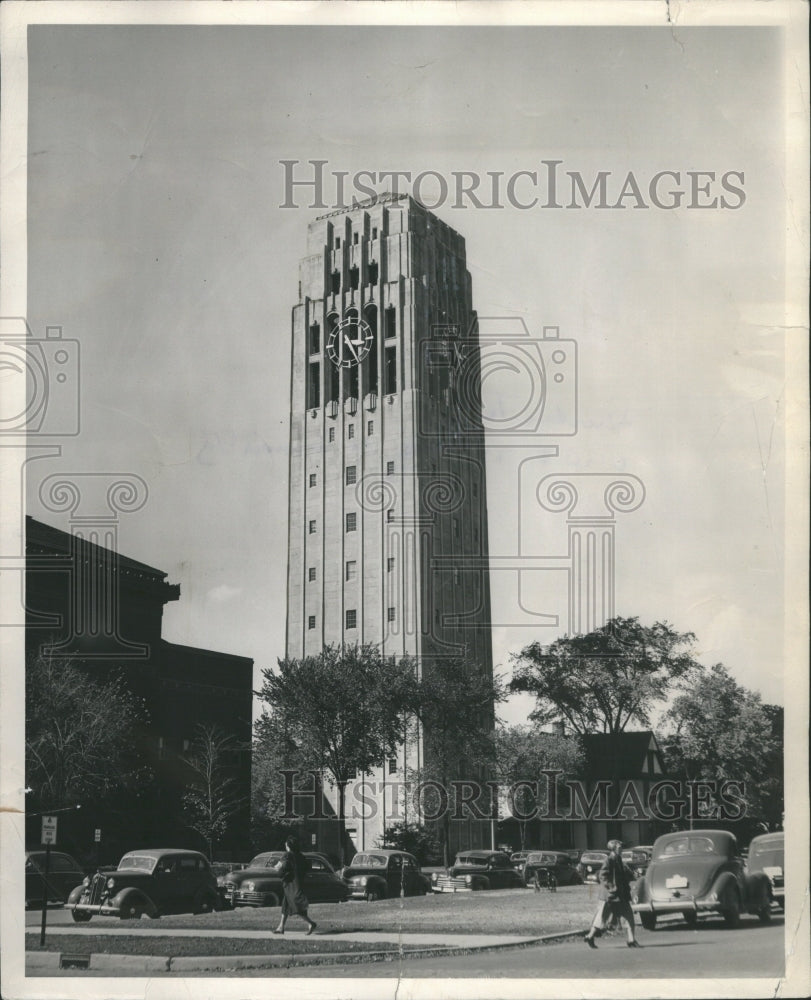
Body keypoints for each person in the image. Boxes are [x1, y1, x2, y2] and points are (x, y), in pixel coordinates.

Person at [584, 839, 640, 949]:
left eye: (621, 848)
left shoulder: (618, 859)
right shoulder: (609, 860)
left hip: (621, 895)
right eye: (619, 848)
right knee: (602, 917)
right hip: (610, 896)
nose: (621, 849)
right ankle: (590, 936)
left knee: (629, 916)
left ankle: (631, 940)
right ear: (613, 849)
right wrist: (611, 887)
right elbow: (602, 875)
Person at [272, 835, 317, 935]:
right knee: (285, 904)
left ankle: (311, 923)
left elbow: (278, 867)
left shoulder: (287, 855)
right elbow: (306, 868)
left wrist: (276, 868)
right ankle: (281, 927)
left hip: (290, 885)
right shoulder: (301, 856)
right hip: (298, 883)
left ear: (288, 845)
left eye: (286, 844)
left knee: (296, 906)